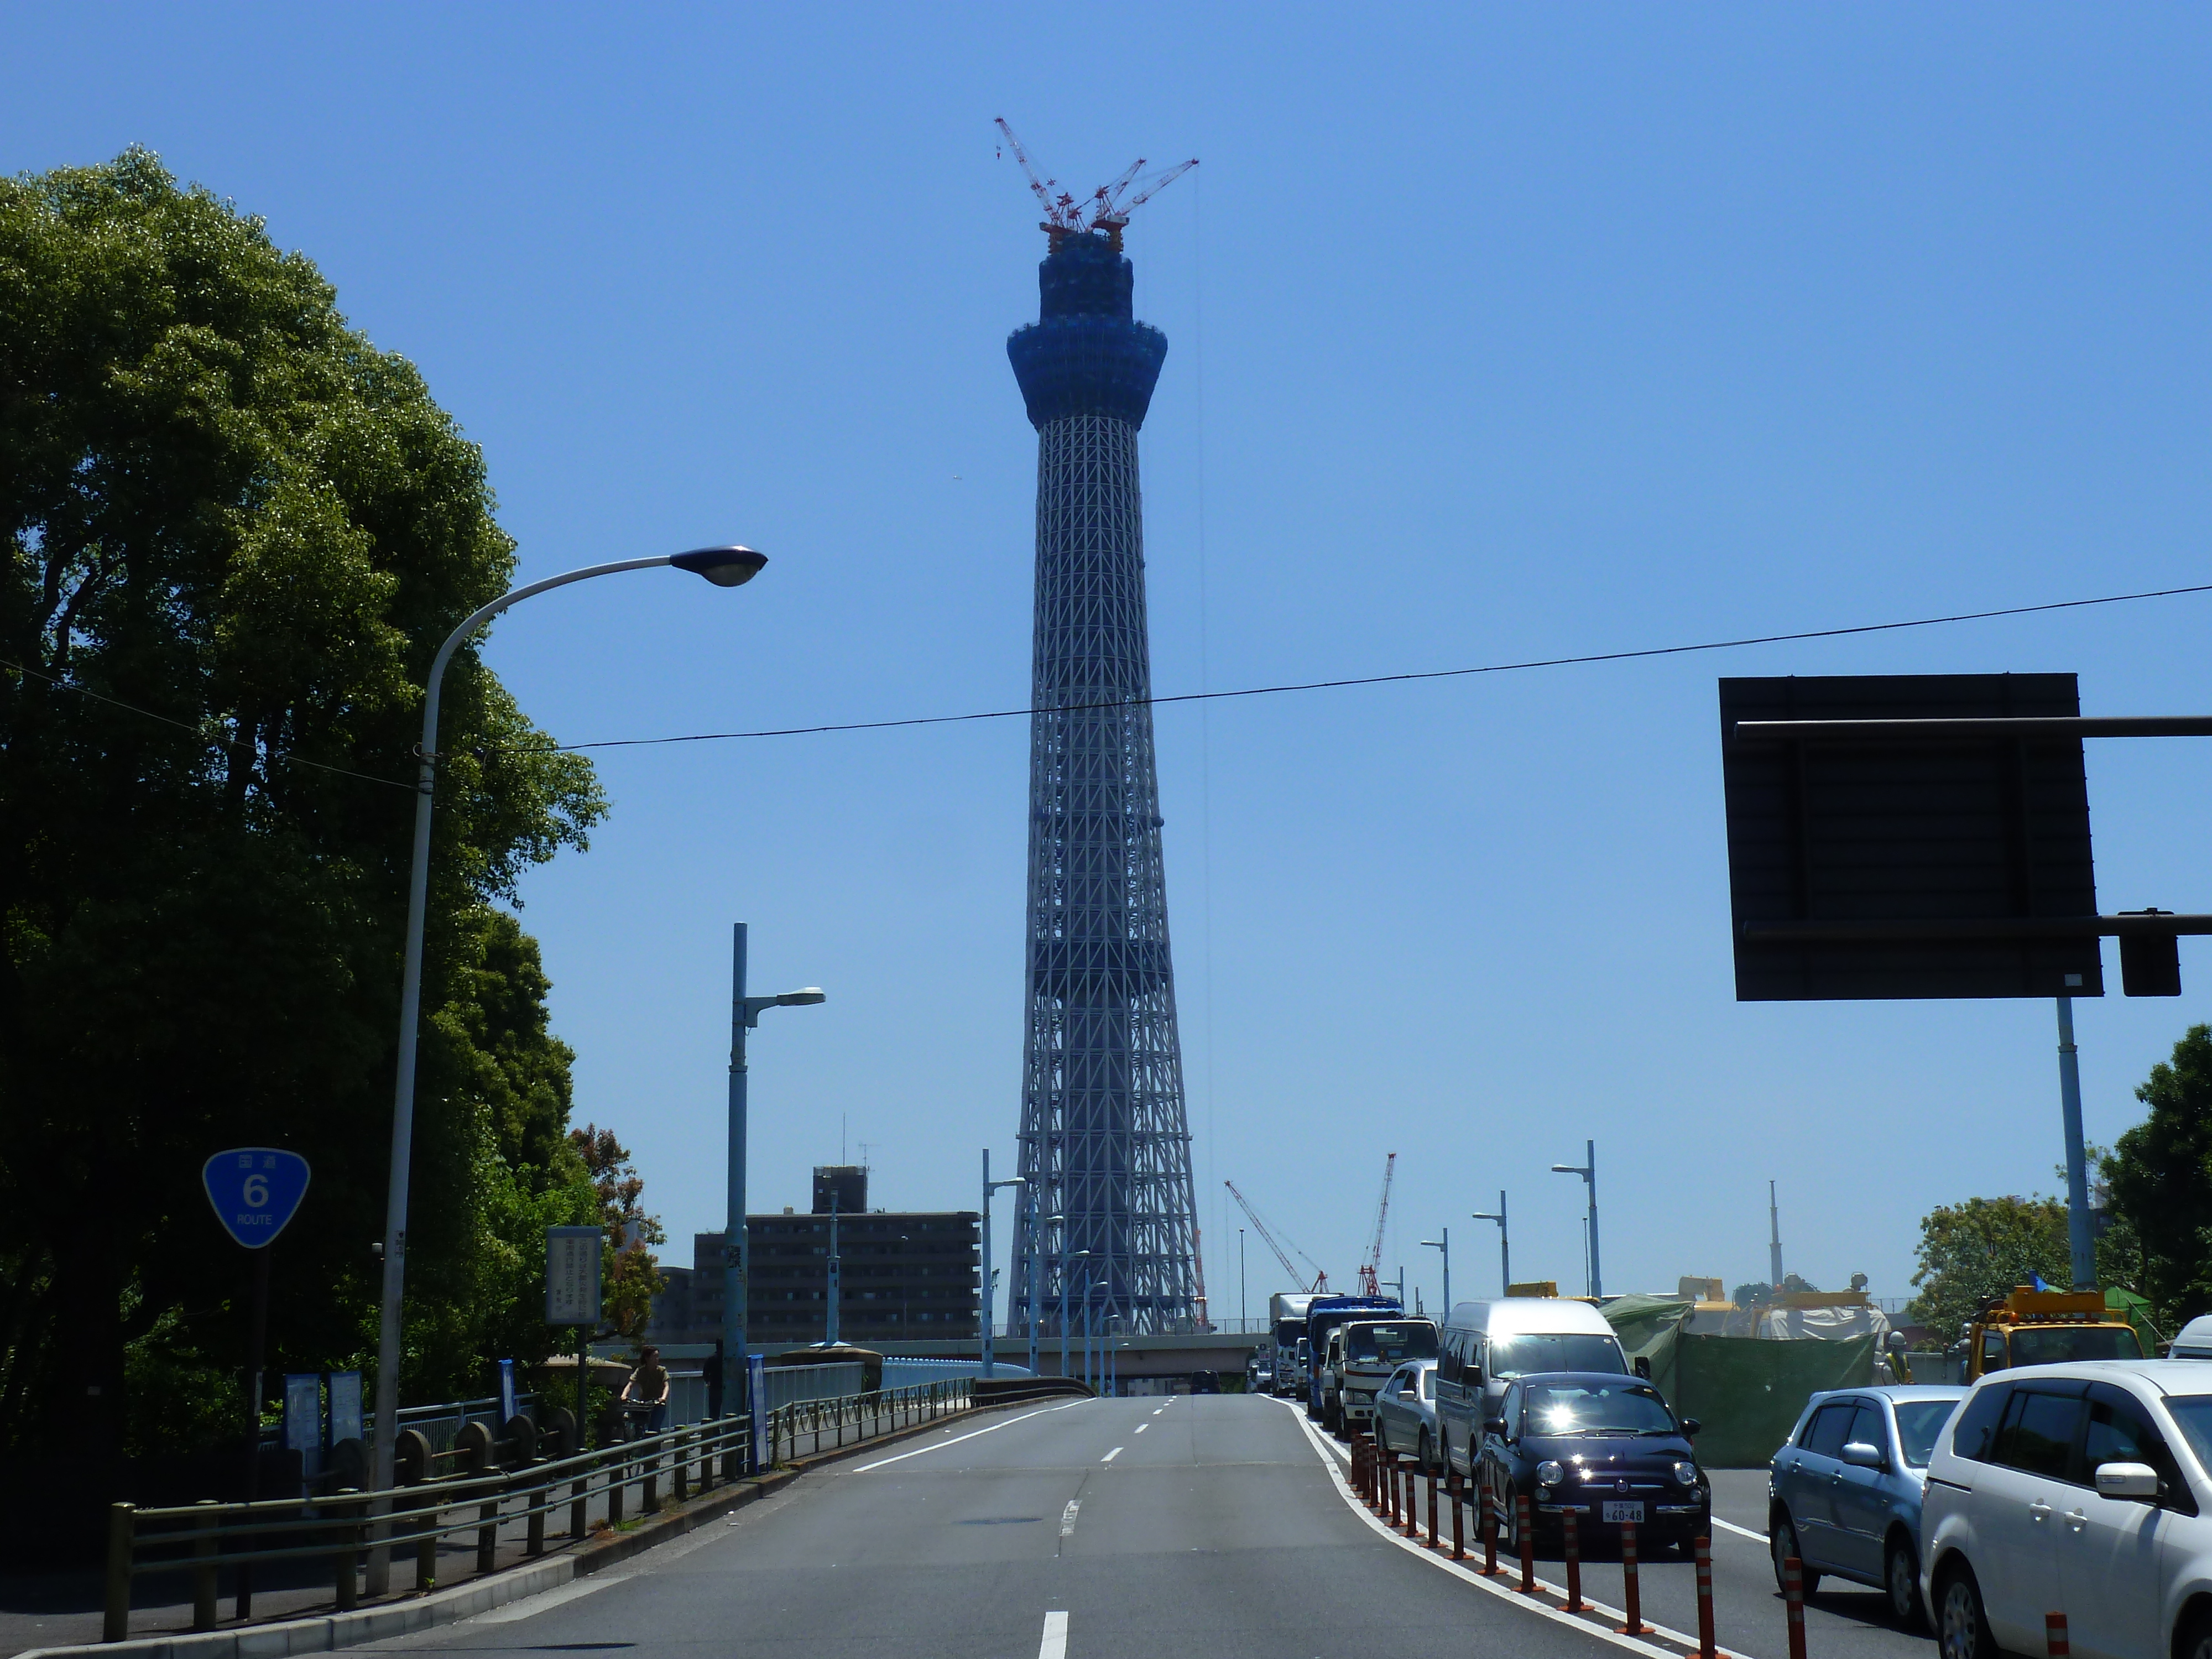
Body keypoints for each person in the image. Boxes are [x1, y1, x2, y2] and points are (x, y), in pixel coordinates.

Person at [622, 1345, 671, 1433]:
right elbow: (630, 1384)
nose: (657, 1359)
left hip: (657, 1403)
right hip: (644, 1404)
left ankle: (654, 1444)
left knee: (653, 1427)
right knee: (638, 1425)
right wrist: (624, 1395)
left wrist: (663, 1398)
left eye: (657, 1357)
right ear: (647, 1358)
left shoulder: (661, 1370)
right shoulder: (640, 1371)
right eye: (654, 1357)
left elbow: (666, 1386)